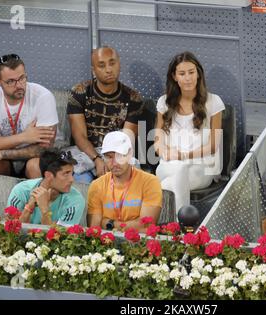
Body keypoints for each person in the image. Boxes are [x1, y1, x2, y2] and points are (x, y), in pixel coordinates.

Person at [154, 51, 224, 213]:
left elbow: (213, 145)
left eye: (192, 72)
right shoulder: (164, 103)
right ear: (174, 76)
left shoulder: (214, 102)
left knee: (171, 181)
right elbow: (158, 140)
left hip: (201, 166)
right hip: (169, 165)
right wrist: (165, 151)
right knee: (177, 171)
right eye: (182, 73)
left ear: (198, 74)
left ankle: (170, 227)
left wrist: (184, 156)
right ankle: (183, 229)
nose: (188, 78)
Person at [66, 46, 144, 183]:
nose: (108, 69)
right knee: (81, 180)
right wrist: (97, 159)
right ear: (93, 70)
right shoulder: (79, 92)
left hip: (117, 155)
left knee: (133, 175)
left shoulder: (133, 98)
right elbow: (79, 136)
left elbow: (126, 139)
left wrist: (110, 160)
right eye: (101, 65)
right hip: (83, 153)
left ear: (119, 64)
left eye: (112, 63)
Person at [0, 53, 58, 178]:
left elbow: (43, 149)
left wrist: (1, 154)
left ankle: (38, 198)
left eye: (22, 78)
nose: (19, 85)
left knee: (35, 167)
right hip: (5, 154)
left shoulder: (43, 97)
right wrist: (24, 137)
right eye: (11, 81)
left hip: (33, 156)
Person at [87, 131, 162, 232]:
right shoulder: (97, 185)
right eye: (109, 157)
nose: (115, 163)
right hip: (106, 244)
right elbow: (94, 228)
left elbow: (145, 227)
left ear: (130, 154)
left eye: (120, 155)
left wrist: (109, 223)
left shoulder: (150, 182)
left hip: (138, 245)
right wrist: (133, 224)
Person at [7, 148, 85, 226]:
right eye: (66, 174)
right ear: (48, 175)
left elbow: (60, 237)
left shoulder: (75, 200)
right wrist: (29, 208)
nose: (72, 179)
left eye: (72, 173)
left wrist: (45, 211)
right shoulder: (21, 191)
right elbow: (11, 232)